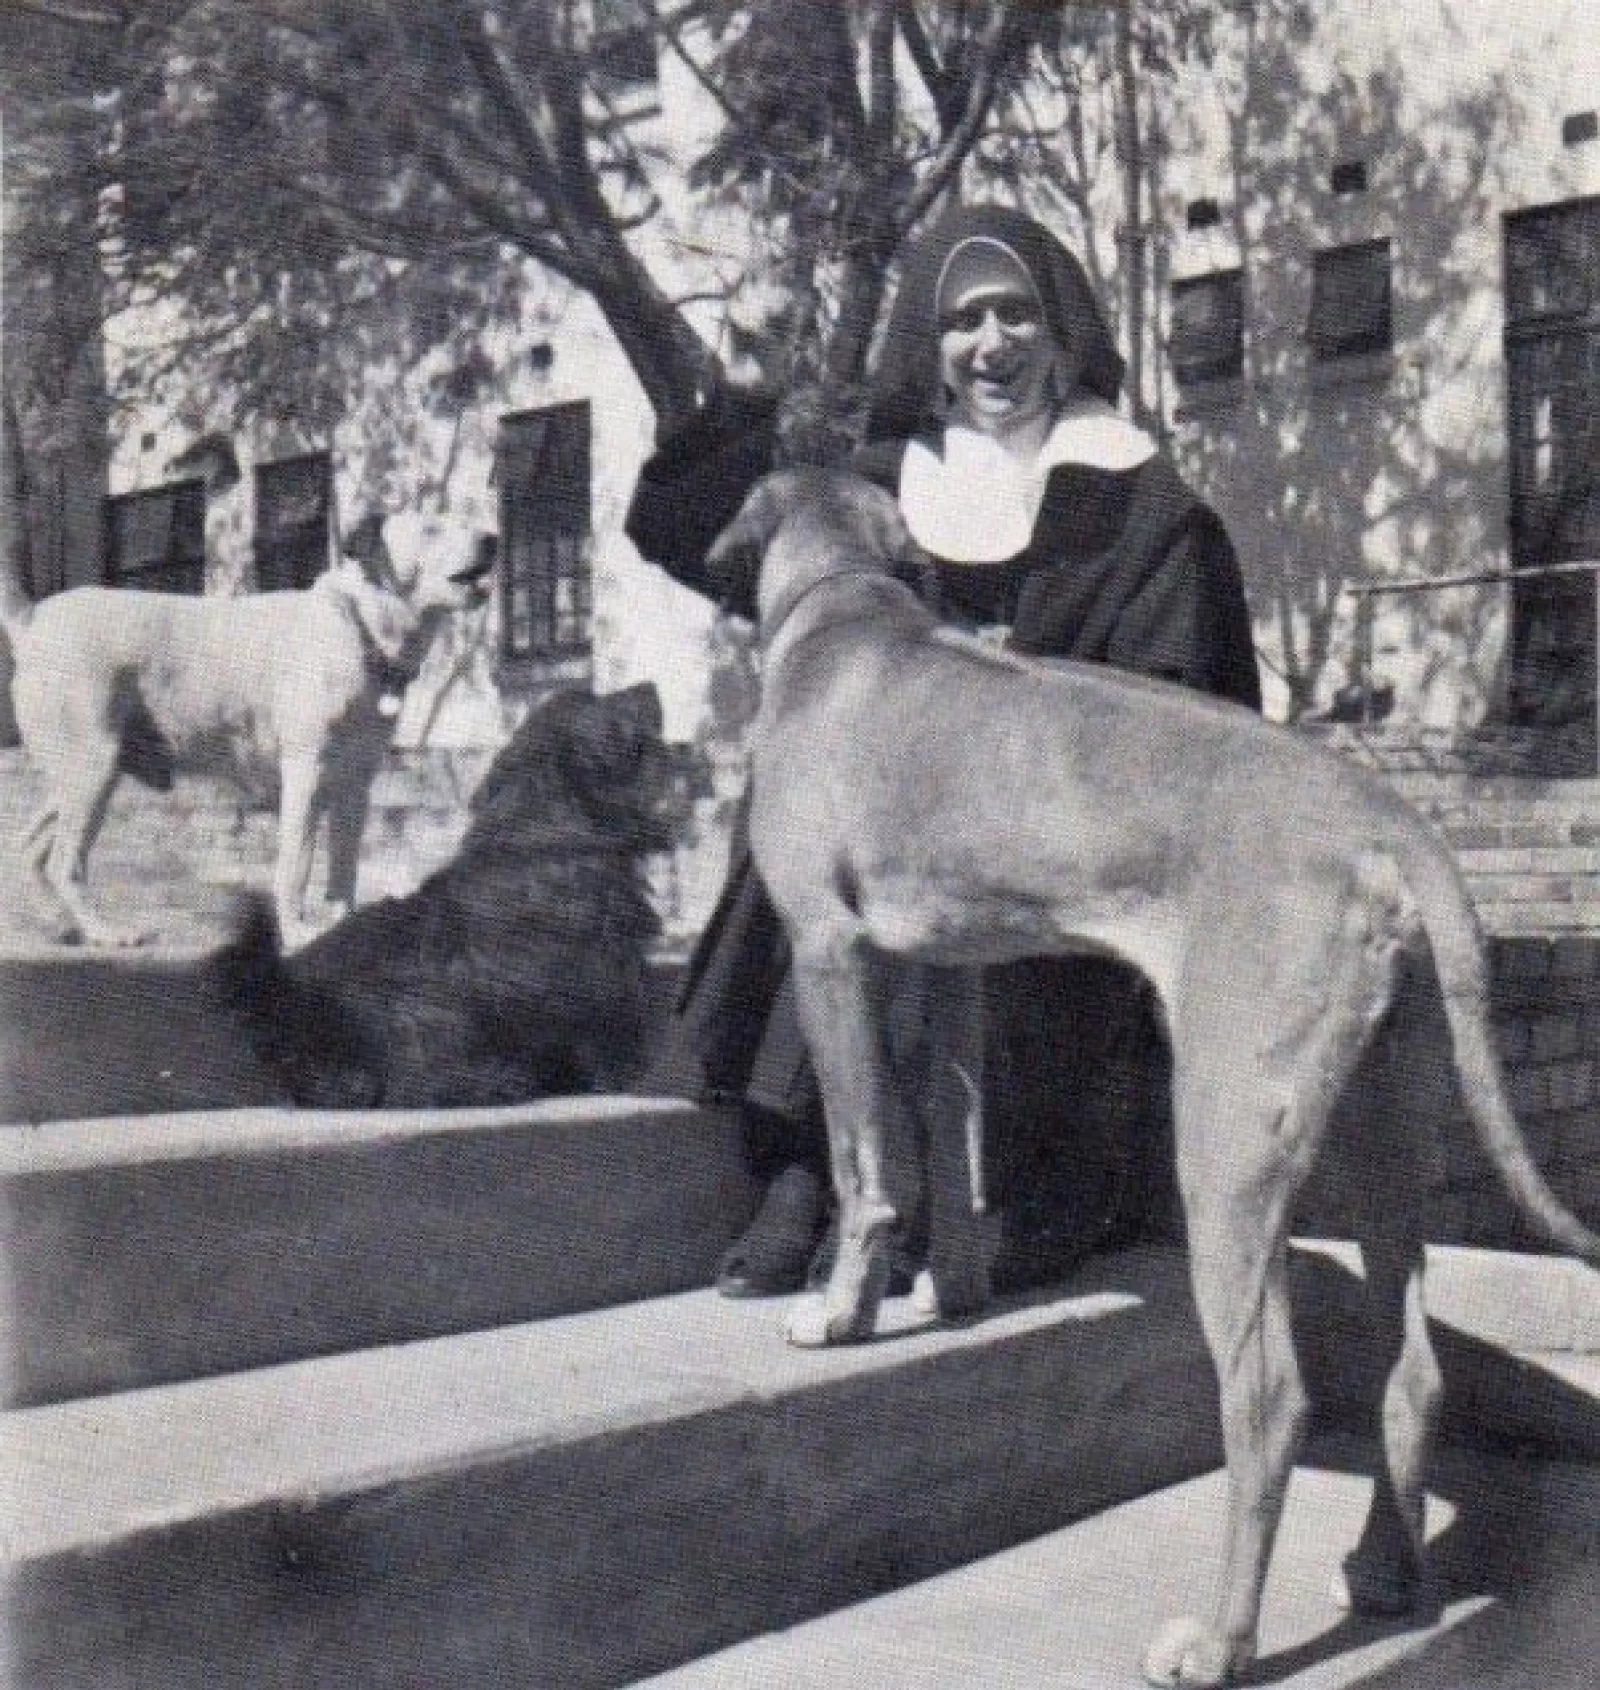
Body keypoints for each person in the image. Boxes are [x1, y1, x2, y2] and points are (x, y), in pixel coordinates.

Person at [626, 202, 1261, 1301]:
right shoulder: (879, 487)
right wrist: (746, 392)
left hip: (1052, 839)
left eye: (1016, 314)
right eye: (963, 320)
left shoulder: (1143, 505)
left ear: (1062, 332)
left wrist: (1013, 695)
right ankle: (809, 1174)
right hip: (880, 827)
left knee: (953, 912)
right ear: (932, 342)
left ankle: (965, 1204)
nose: (991, 343)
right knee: (820, 854)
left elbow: (1182, 712)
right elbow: (690, 534)